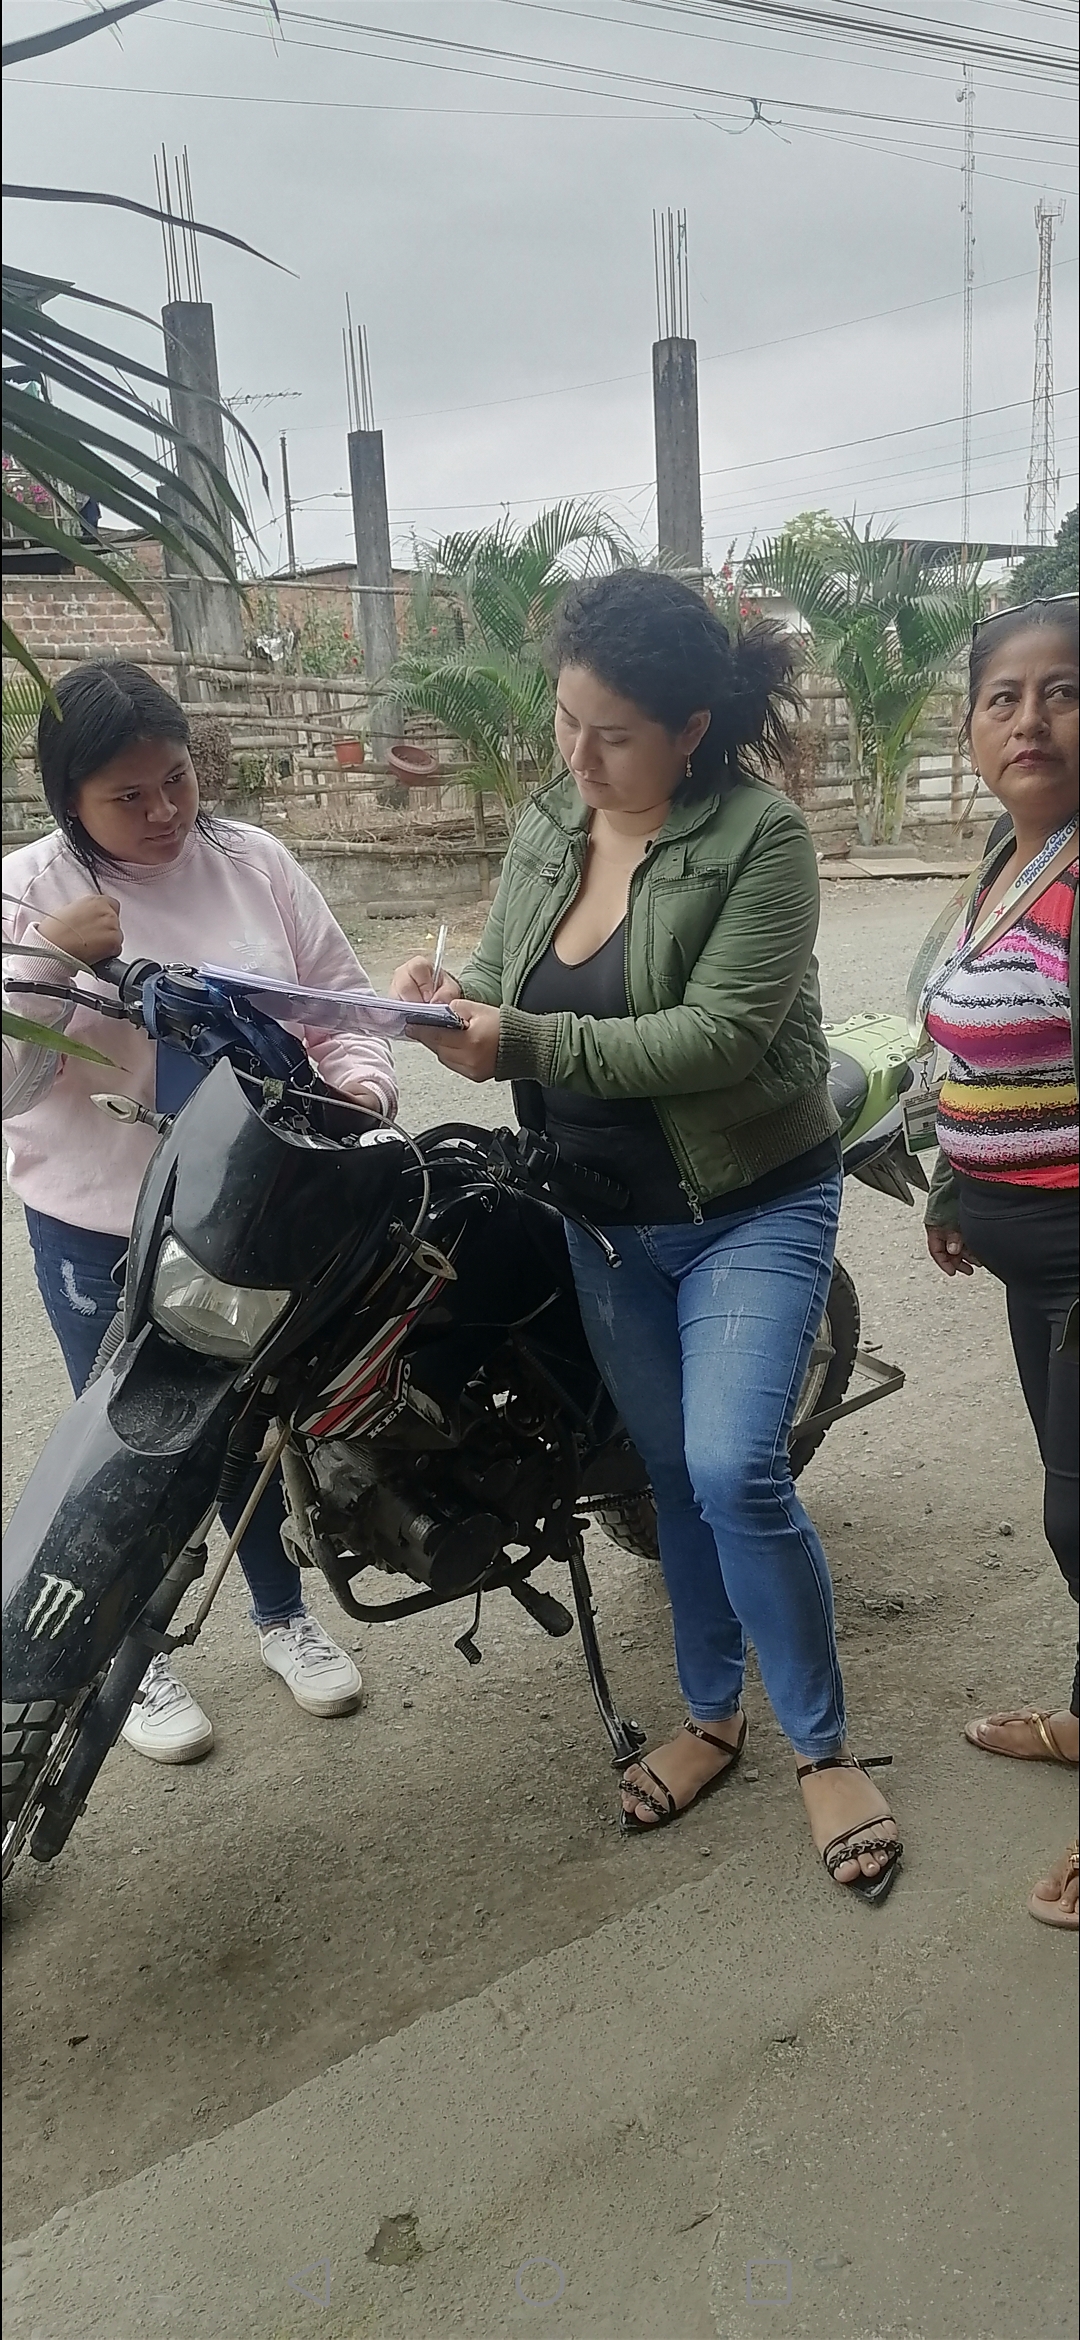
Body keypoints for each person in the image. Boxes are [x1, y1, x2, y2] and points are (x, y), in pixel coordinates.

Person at [390, 568, 902, 1902]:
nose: (577, 756)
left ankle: (826, 1748)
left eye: (611, 734)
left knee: (735, 1468)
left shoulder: (761, 839)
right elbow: (504, 984)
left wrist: (523, 1037)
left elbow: (719, 1037)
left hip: (746, 1204)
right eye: (566, 721)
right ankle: (712, 1716)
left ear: (690, 730)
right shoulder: (553, 822)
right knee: (666, 1473)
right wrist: (445, 1004)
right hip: (602, 1217)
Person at [3, 661, 398, 1765]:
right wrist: (44, 962)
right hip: (101, 1225)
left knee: (250, 1425)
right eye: (128, 796)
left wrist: (362, 1090)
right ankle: (133, 1660)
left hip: (256, 1209)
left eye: (176, 779)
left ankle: (282, 1614)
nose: (165, 811)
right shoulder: (25, 893)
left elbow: (338, 1004)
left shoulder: (254, 862)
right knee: (124, 1439)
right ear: (68, 797)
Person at [921, 594, 1078, 1934]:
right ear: (971, 727)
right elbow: (979, 1056)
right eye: (1004, 697)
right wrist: (953, 1184)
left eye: (1066, 692)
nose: (1032, 720)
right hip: (1033, 1266)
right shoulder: (1005, 860)